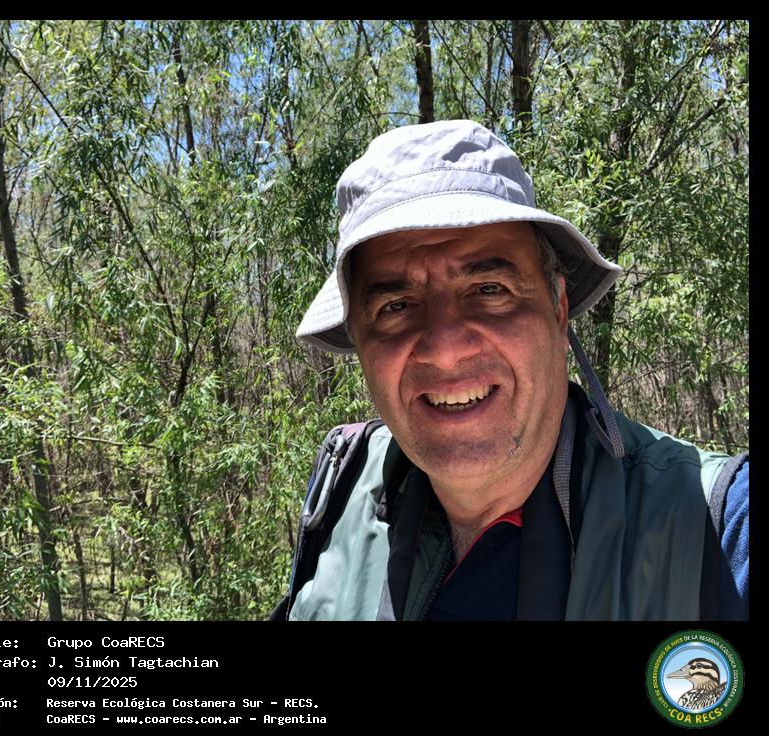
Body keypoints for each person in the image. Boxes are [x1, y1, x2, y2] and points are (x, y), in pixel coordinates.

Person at [274, 120, 748, 621]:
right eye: (396, 306)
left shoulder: (716, 528)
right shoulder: (342, 484)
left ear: (558, 308)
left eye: (488, 290)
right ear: (360, 341)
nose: (445, 350)